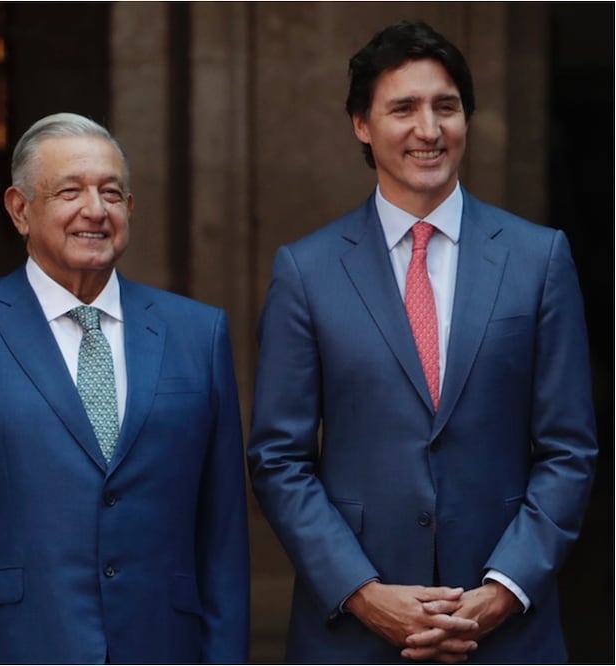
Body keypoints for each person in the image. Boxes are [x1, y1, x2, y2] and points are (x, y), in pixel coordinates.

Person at [248, 20, 597, 663]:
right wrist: (363, 593)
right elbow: (278, 459)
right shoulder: (307, 271)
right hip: (354, 634)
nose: (429, 129)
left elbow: (568, 449)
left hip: (506, 632)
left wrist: (503, 590)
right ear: (362, 124)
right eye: (403, 108)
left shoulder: (539, 258)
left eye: (447, 106)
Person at [0, 112, 250, 663]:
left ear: (129, 208)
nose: (95, 210)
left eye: (111, 193)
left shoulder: (198, 335)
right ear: (19, 209)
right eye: (70, 191)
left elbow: (222, 536)